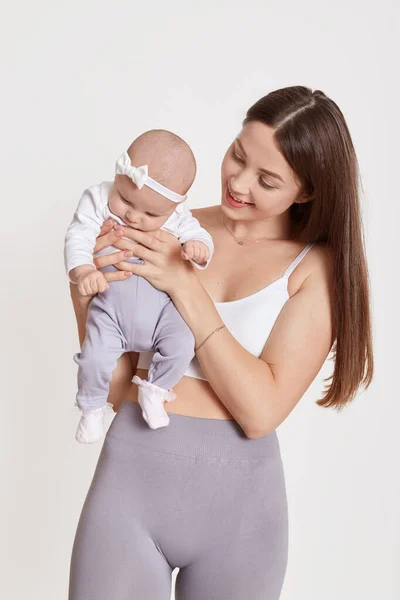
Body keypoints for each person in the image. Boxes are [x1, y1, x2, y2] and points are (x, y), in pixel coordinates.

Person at [68, 86, 374, 600]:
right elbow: (120, 384)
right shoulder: (164, 229)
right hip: (130, 480)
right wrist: (86, 284)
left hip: (241, 514)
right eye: (237, 154)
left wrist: (185, 286)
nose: (237, 180)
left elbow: (259, 412)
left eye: (266, 178)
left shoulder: (314, 271)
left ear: (305, 192)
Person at [64, 130, 214, 440]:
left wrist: (198, 248)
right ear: (118, 175)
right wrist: (83, 270)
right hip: (110, 311)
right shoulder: (97, 199)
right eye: (125, 199)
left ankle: (155, 391)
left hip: (161, 314)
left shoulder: (176, 216)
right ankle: (91, 408)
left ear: (174, 207)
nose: (133, 216)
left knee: (183, 343)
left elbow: (199, 234)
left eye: (150, 213)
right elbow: (78, 235)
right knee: (94, 357)